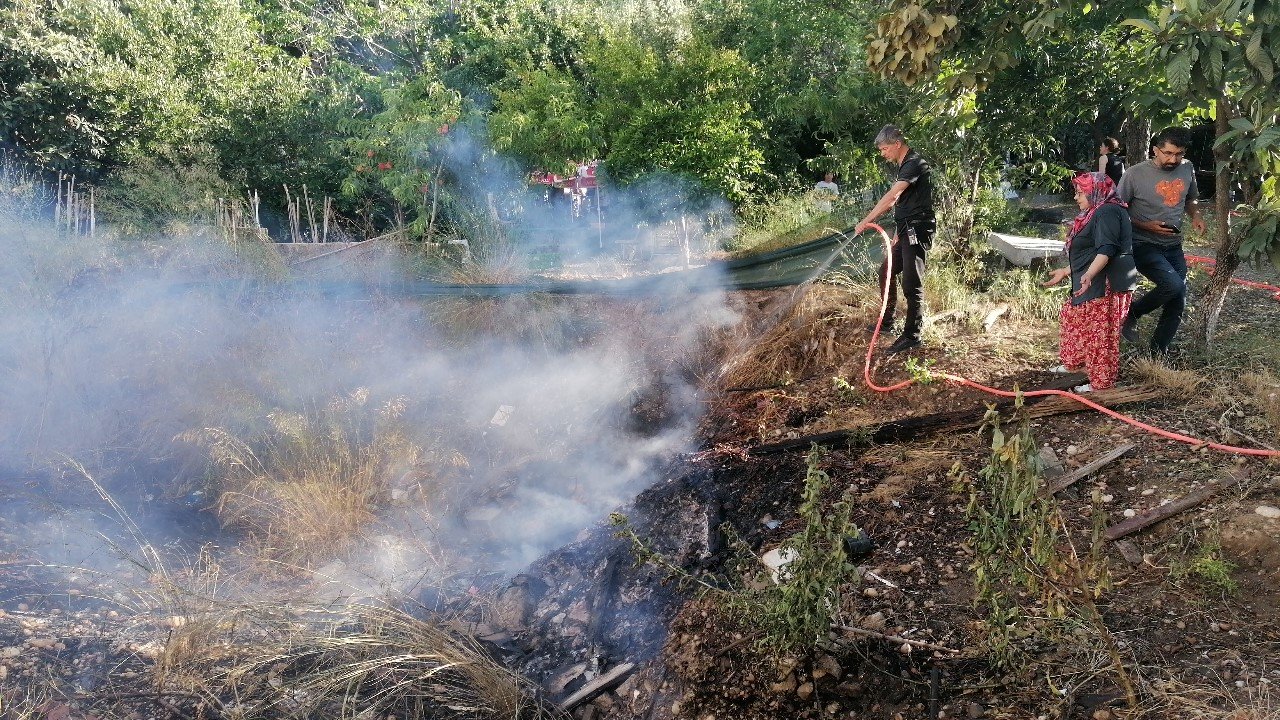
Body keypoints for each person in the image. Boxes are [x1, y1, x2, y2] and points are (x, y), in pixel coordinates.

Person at [1044, 172, 1139, 392]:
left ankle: (1101, 384)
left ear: (1095, 192)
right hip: (1093, 278)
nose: (1076, 198)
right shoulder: (1096, 212)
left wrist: (1088, 275)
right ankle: (1077, 366)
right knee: (1073, 318)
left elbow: (1106, 250)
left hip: (1106, 282)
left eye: (1080, 193)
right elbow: (1089, 252)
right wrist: (1066, 271)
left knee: (1100, 334)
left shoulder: (1107, 211)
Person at [1116, 126, 1207, 355]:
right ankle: (1132, 313)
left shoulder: (1187, 168)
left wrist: (1196, 216)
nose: (1173, 159)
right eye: (1168, 153)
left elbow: (1191, 199)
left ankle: (1157, 353)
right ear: (1155, 150)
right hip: (1142, 243)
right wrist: (1145, 225)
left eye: (1179, 154)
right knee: (1173, 285)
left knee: (1178, 299)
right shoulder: (1134, 174)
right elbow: (1116, 211)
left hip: (1173, 245)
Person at [854, 125, 935, 354]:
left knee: (911, 282)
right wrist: (898, 233)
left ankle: (912, 335)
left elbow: (892, 197)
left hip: (917, 230)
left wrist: (866, 220)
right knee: (886, 271)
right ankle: (887, 321)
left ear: (897, 144)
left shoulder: (914, 163)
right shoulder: (904, 165)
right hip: (906, 229)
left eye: (885, 149)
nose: (883, 153)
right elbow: (907, 203)